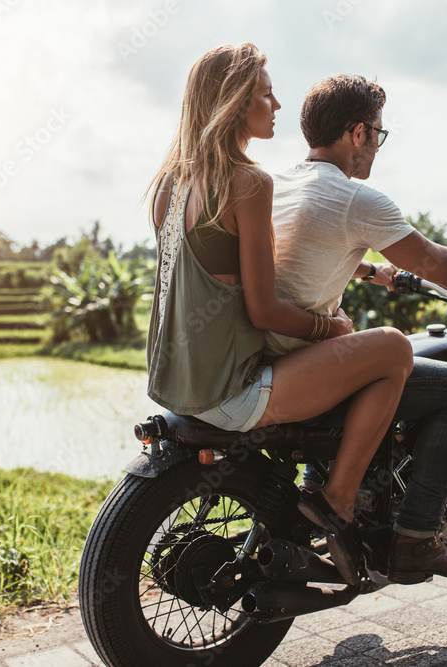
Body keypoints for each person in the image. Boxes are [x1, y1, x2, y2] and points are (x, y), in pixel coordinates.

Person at [144, 45, 412, 580]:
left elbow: (232, 265)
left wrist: (367, 271)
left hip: (176, 383)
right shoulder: (250, 182)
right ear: (235, 102)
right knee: (394, 349)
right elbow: (264, 309)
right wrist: (329, 326)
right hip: (231, 390)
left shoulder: (171, 182)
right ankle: (336, 500)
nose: (277, 104)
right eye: (265, 93)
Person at [267, 74, 447, 584]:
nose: (377, 144)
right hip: (301, 366)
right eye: (378, 132)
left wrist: (374, 271)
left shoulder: (278, 185)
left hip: (270, 360)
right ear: (358, 134)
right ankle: (417, 539)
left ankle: (333, 495)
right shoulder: (357, 198)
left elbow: (305, 247)